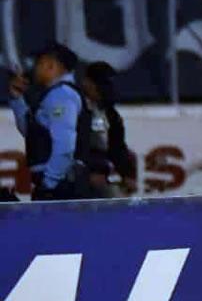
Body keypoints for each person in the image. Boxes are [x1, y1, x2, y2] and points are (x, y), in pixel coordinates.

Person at [7, 43, 91, 201]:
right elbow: (33, 134)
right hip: (55, 183)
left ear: (50, 65)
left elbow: (65, 145)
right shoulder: (53, 95)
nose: (35, 70)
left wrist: (49, 183)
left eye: (39, 64)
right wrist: (17, 100)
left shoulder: (61, 95)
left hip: (61, 187)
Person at [79, 62, 136, 197]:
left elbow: (117, 146)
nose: (104, 90)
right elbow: (76, 146)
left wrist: (127, 174)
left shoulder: (111, 113)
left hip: (103, 175)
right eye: (100, 85)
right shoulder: (76, 109)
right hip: (79, 175)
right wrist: (90, 171)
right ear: (86, 83)